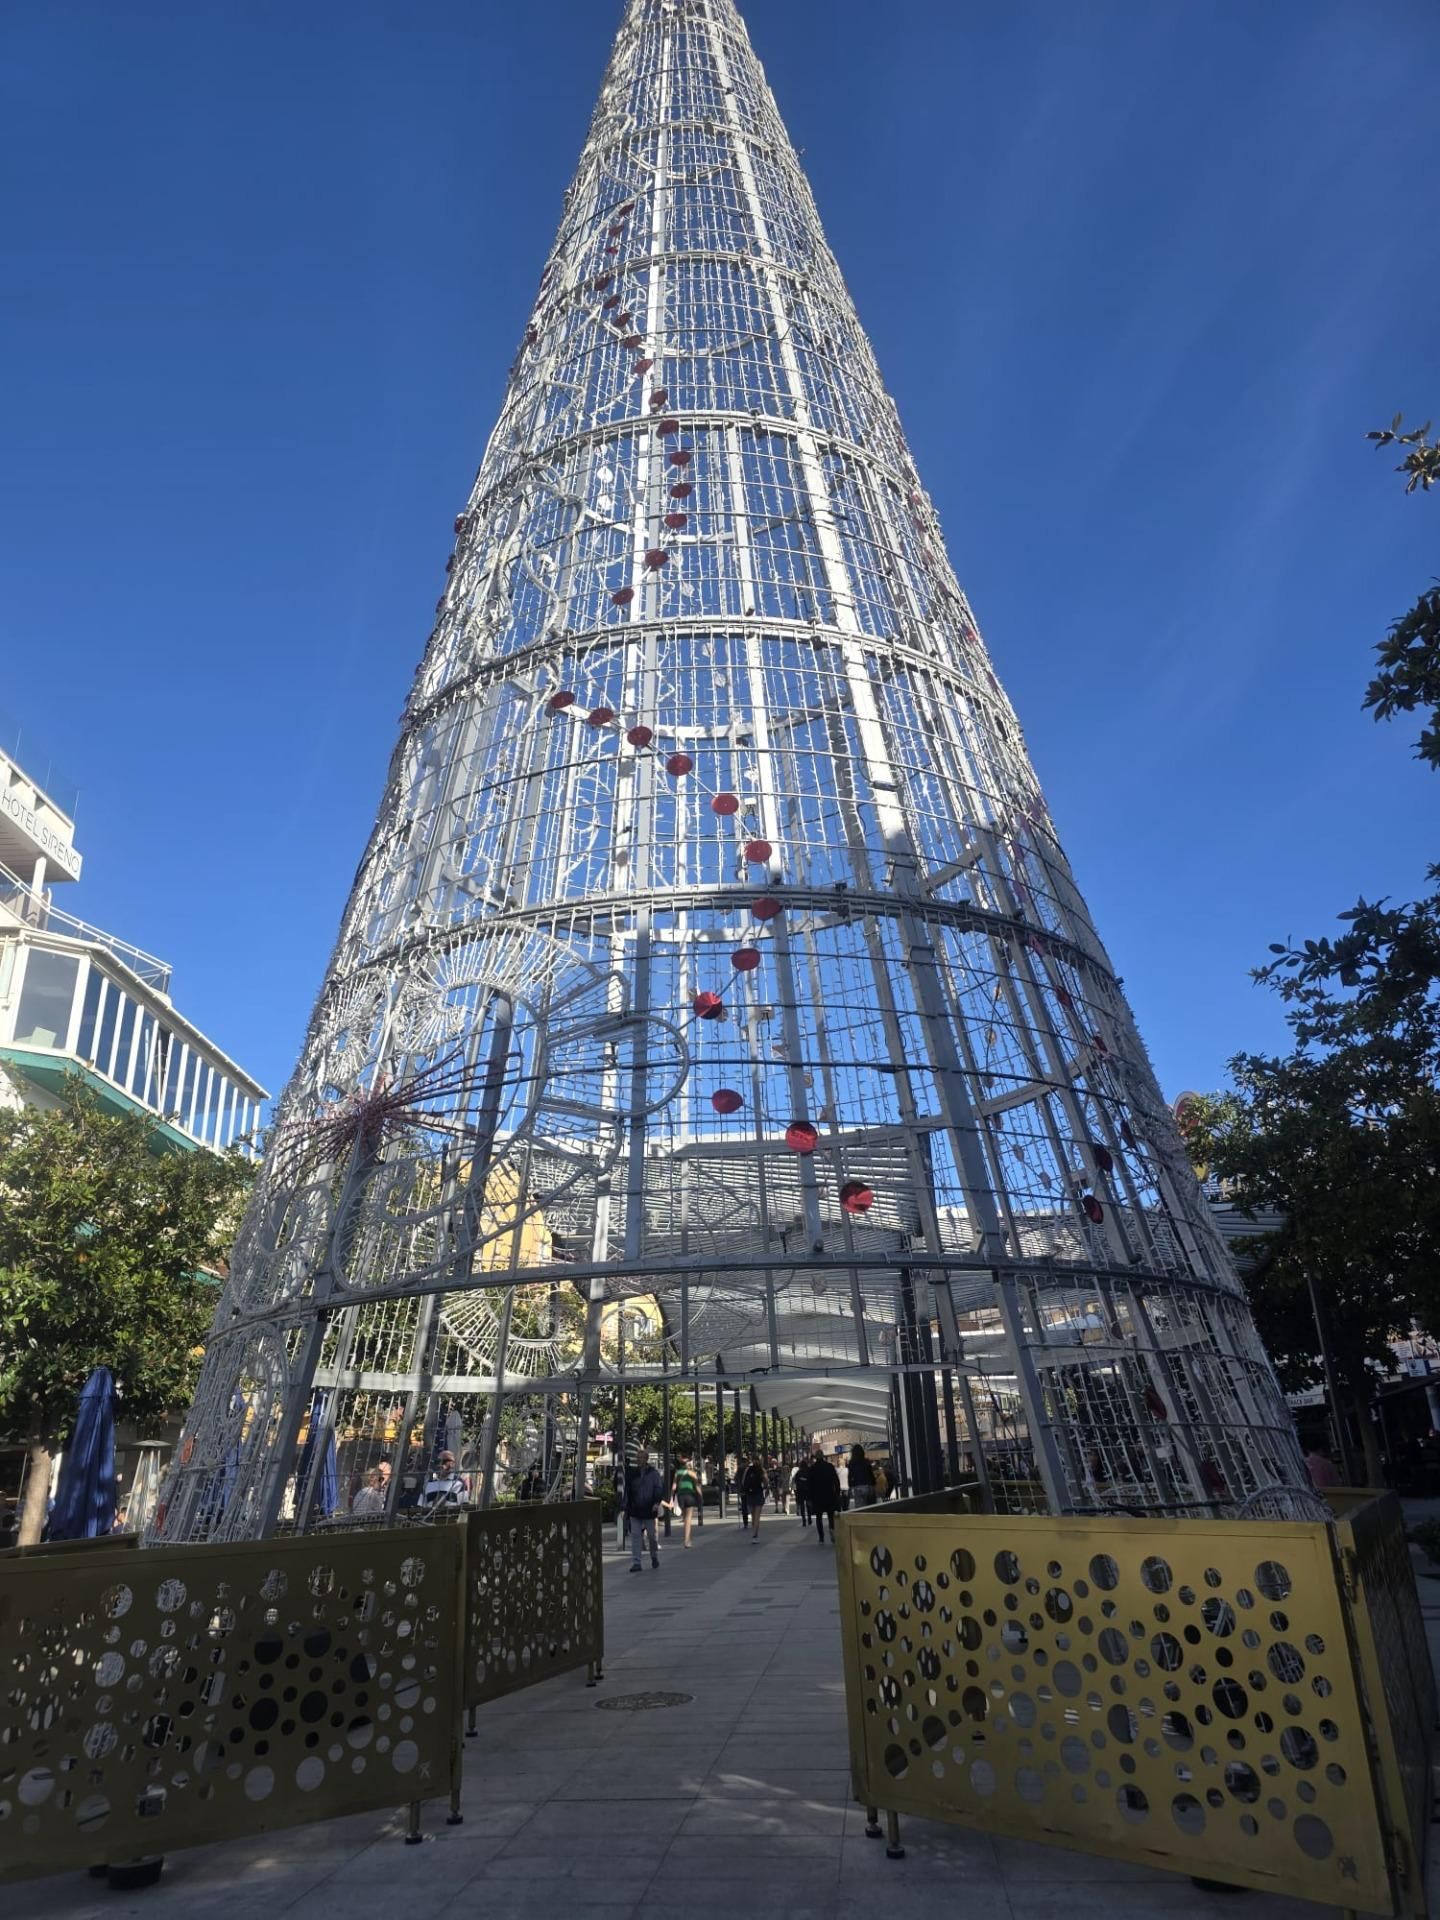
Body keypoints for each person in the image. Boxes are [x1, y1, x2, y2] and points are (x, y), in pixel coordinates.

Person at [626, 1448, 665, 1571]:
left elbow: (658, 1488)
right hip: (635, 1509)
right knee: (636, 1536)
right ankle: (636, 1562)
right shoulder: (632, 1473)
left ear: (646, 1459)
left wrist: (656, 1502)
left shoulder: (653, 1473)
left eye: (641, 1458)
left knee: (652, 1536)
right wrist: (625, 1507)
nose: (639, 1460)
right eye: (638, 1458)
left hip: (649, 1509)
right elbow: (628, 1491)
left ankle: (654, 1556)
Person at [808, 1449, 841, 1544]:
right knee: (831, 1516)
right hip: (829, 1495)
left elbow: (810, 1485)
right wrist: (837, 1493)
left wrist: (809, 1498)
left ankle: (821, 1536)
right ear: (823, 1456)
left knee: (819, 1517)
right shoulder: (829, 1466)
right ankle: (832, 1531)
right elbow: (836, 1481)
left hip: (817, 1496)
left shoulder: (812, 1468)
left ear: (816, 1457)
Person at [671, 1454, 702, 1547]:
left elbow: (674, 1487)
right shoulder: (692, 1473)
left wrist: (671, 1498)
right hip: (690, 1496)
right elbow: (697, 1486)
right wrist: (700, 1497)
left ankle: (686, 1538)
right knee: (688, 1519)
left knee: (685, 1518)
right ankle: (686, 1540)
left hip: (681, 1496)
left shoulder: (678, 1473)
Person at [740, 1455, 767, 1542]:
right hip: (758, 1493)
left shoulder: (748, 1469)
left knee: (753, 1515)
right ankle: (755, 1536)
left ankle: (754, 1534)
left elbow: (743, 1482)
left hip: (750, 1494)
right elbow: (766, 1481)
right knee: (757, 1516)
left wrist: (745, 1489)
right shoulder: (761, 1470)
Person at [847, 1444, 877, 1510]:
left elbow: (850, 1476)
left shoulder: (851, 1463)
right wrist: (873, 1484)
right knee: (870, 1508)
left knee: (860, 1509)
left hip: (857, 1487)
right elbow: (871, 1474)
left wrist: (851, 1486)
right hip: (868, 1486)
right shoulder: (866, 1462)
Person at [792, 1458, 811, 1527]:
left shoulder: (798, 1473)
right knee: (808, 1504)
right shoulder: (809, 1471)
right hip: (808, 1490)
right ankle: (809, 1517)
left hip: (800, 1491)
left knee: (802, 1505)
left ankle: (804, 1520)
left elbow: (796, 1482)